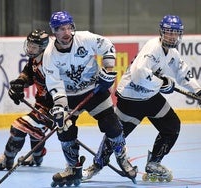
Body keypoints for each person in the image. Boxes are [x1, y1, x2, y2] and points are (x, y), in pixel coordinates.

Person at [83, 14, 201, 182]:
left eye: (175, 33)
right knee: (116, 136)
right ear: (161, 32)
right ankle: (96, 165)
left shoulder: (172, 53)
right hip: (131, 98)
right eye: (168, 32)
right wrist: (162, 84)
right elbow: (139, 75)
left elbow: (183, 74)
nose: (172, 36)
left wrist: (200, 93)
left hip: (150, 97)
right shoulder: (152, 47)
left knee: (172, 126)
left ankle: (154, 163)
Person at [42, 10, 137, 186]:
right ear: (54, 32)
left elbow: (107, 45)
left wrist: (108, 69)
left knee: (113, 126)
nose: (66, 32)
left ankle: (122, 158)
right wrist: (60, 108)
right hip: (69, 97)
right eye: (61, 29)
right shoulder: (49, 55)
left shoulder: (85, 38)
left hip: (94, 89)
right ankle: (72, 167)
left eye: (69, 27)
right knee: (65, 130)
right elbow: (55, 85)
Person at [0, 29, 53, 170]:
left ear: (43, 48)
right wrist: (20, 83)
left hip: (54, 108)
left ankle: (6, 159)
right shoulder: (35, 58)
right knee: (35, 129)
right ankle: (37, 156)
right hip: (42, 105)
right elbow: (28, 73)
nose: (30, 48)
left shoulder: (51, 63)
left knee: (19, 126)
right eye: (29, 45)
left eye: (34, 47)